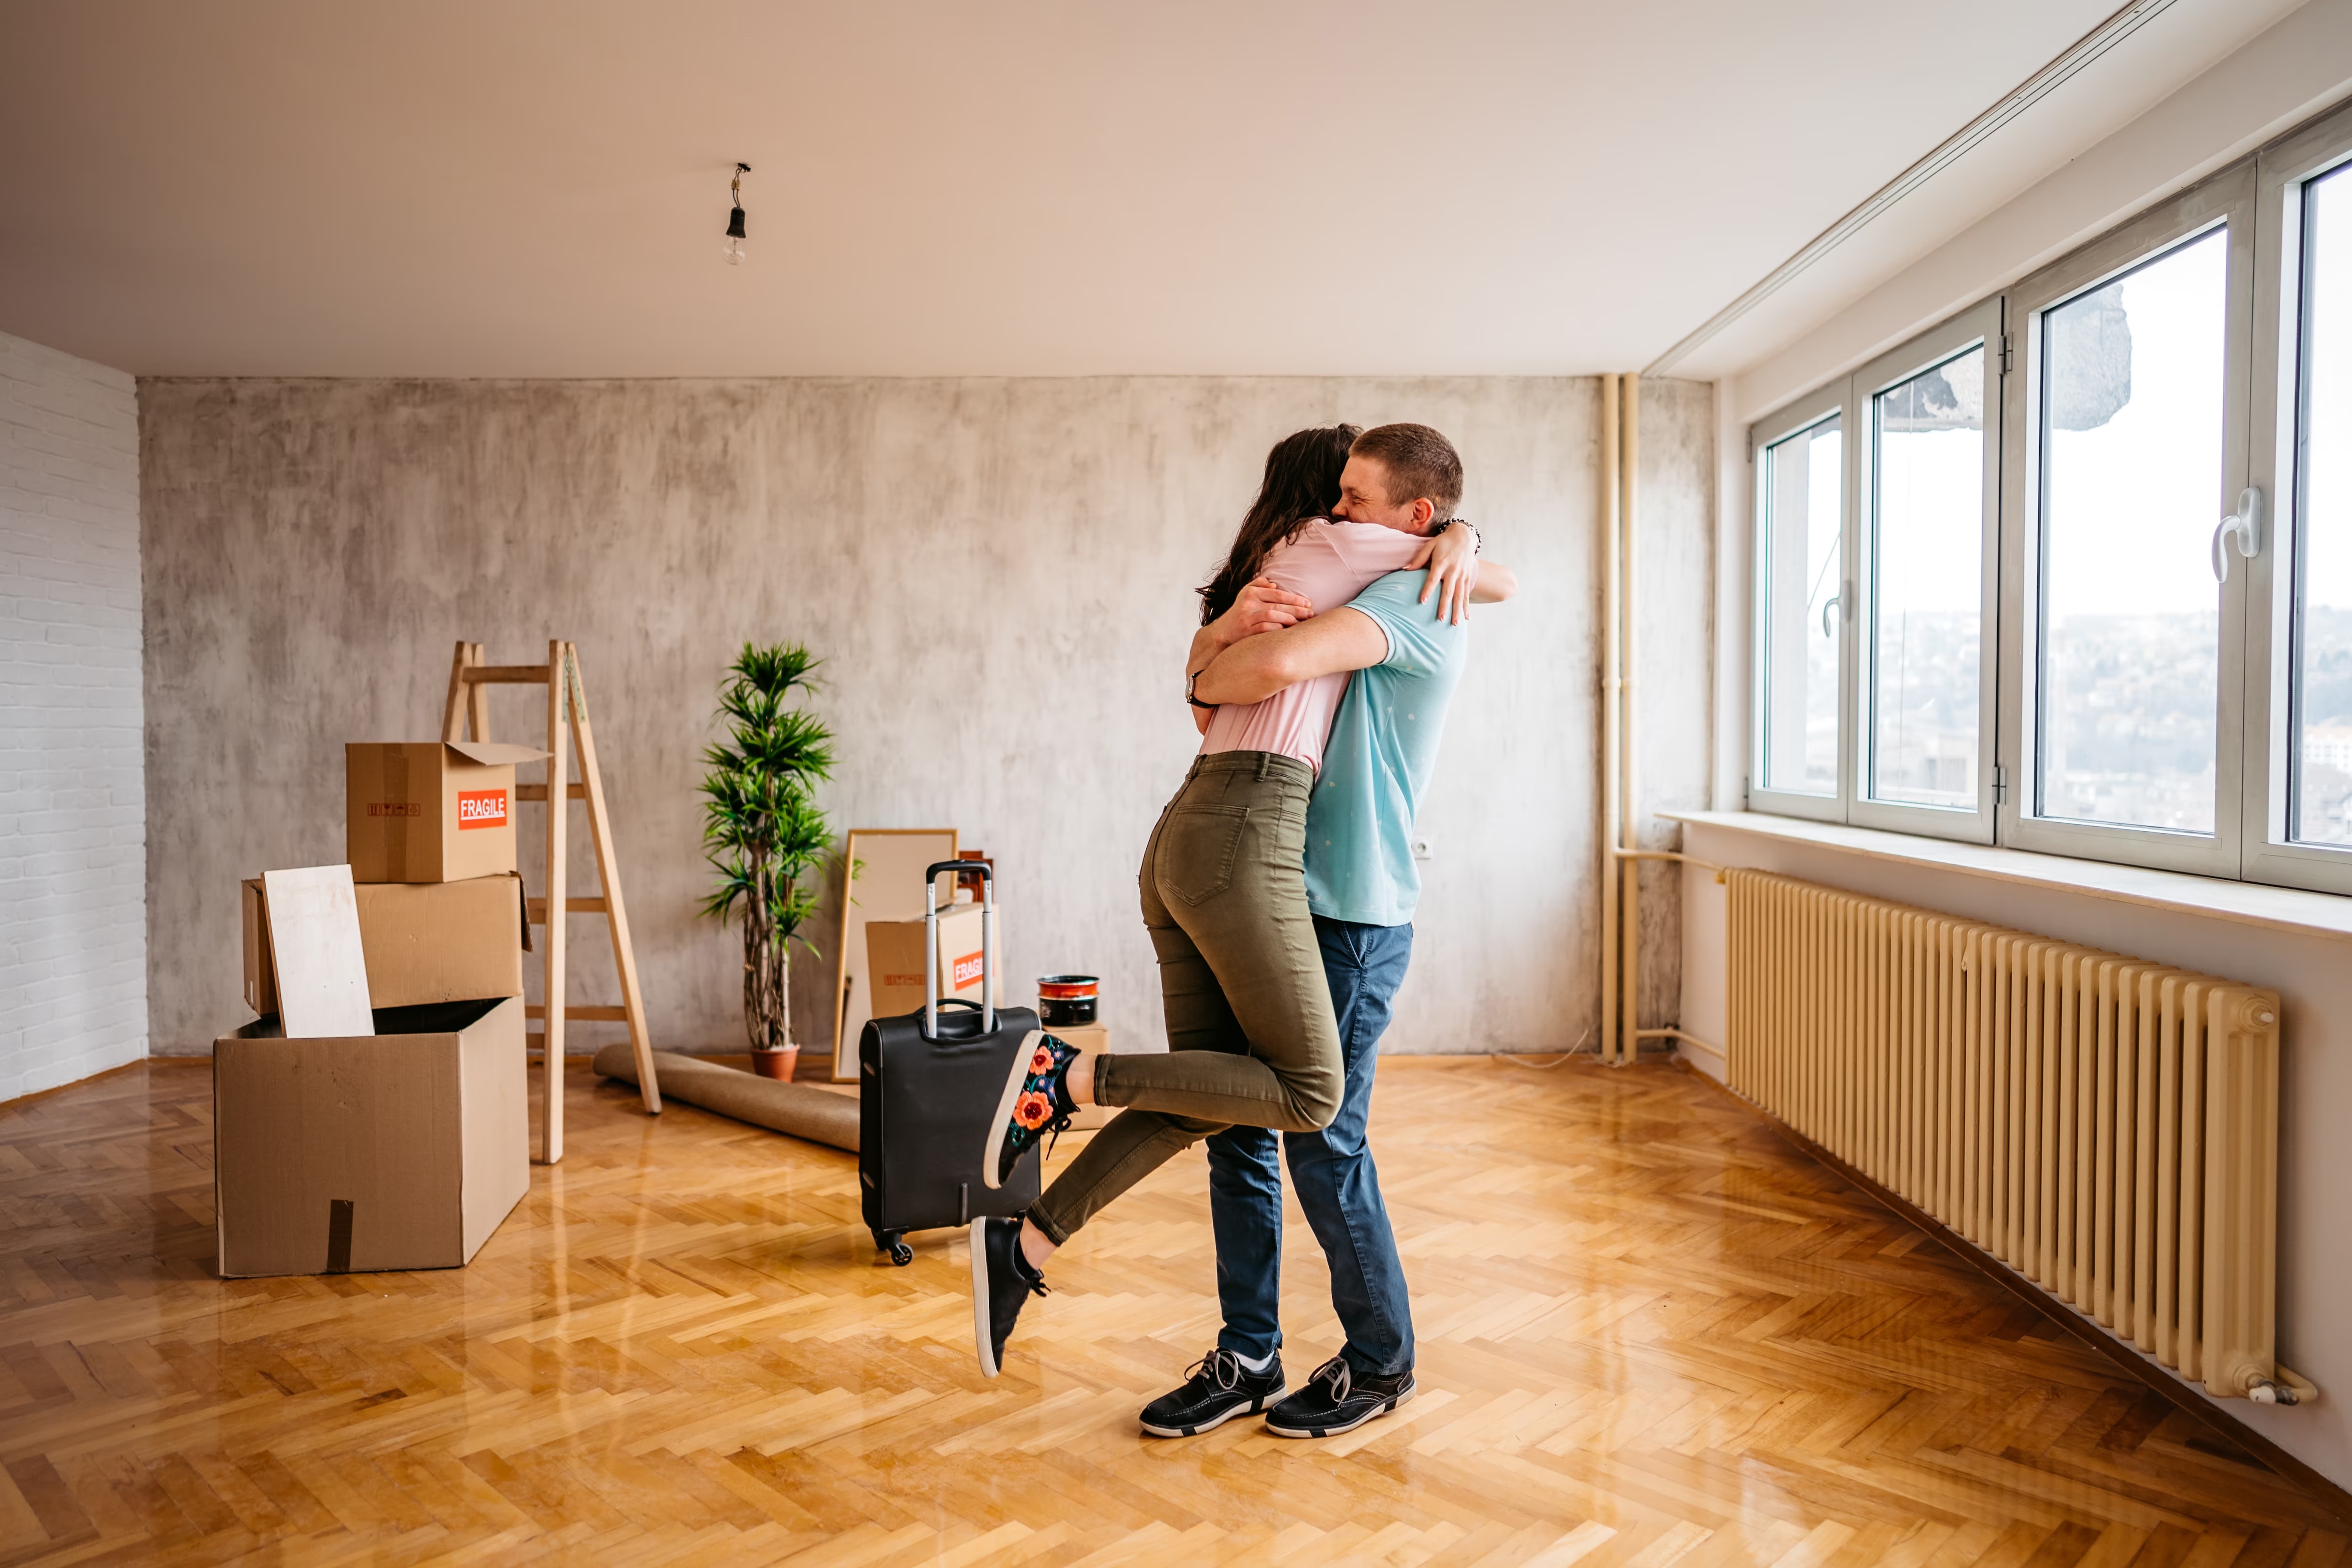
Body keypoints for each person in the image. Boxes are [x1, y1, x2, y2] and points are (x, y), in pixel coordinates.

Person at [968, 423, 1515, 1393]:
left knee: (1284, 1118)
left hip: (1328, 893)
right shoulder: (1328, 559)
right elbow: (1228, 687)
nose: (1340, 511)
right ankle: (1250, 1349)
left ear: (1411, 517)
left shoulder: (1408, 587)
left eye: (1356, 497)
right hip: (1258, 861)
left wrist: (1460, 541)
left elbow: (1231, 687)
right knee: (1260, 1115)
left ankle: (1372, 1361)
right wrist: (1215, 650)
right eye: (1337, 492)